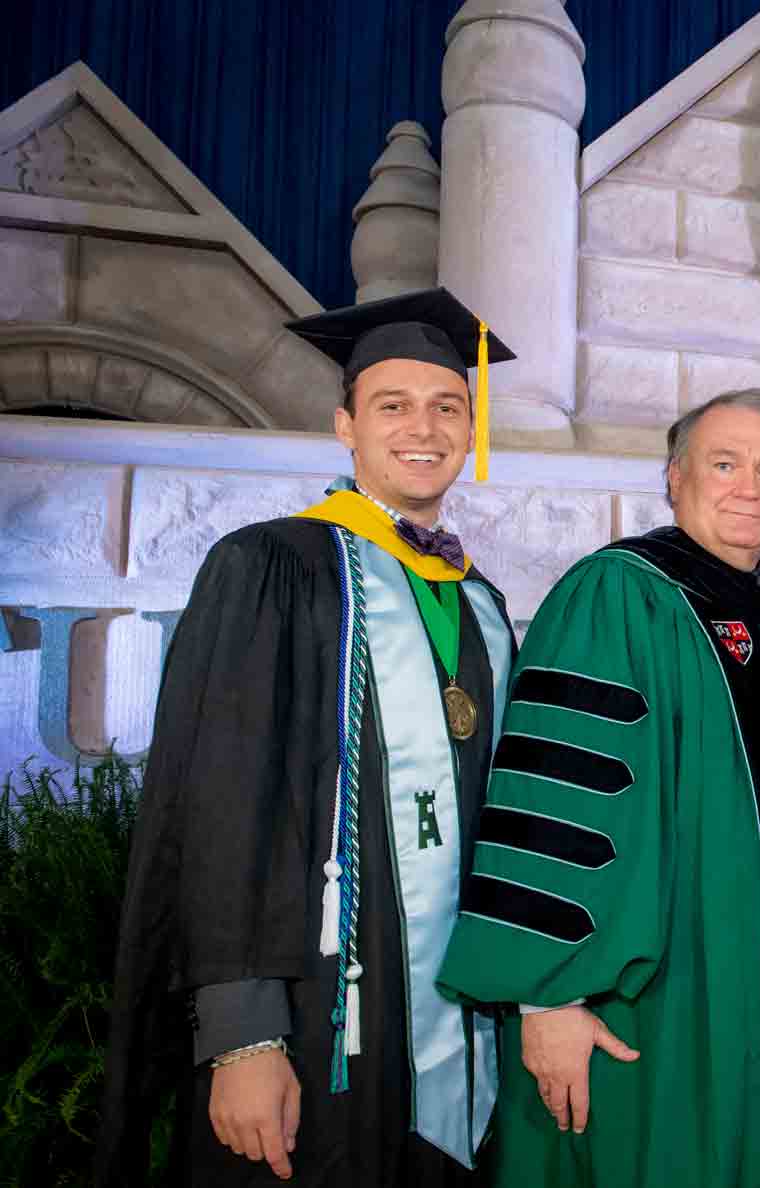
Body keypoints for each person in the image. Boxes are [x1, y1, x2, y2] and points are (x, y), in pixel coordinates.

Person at [98, 288, 520, 1186]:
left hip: (461, 1019)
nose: (425, 427)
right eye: (392, 406)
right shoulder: (272, 568)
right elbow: (221, 807)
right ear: (346, 425)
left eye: (448, 407)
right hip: (322, 1014)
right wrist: (243, 1033)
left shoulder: (482, 604)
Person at [436, 389, 760, 1187]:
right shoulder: (621, 595)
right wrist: (547, 1002)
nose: (749, 487)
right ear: (674, 479)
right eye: (724, 464)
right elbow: (556, 806)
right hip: (673, 1010)